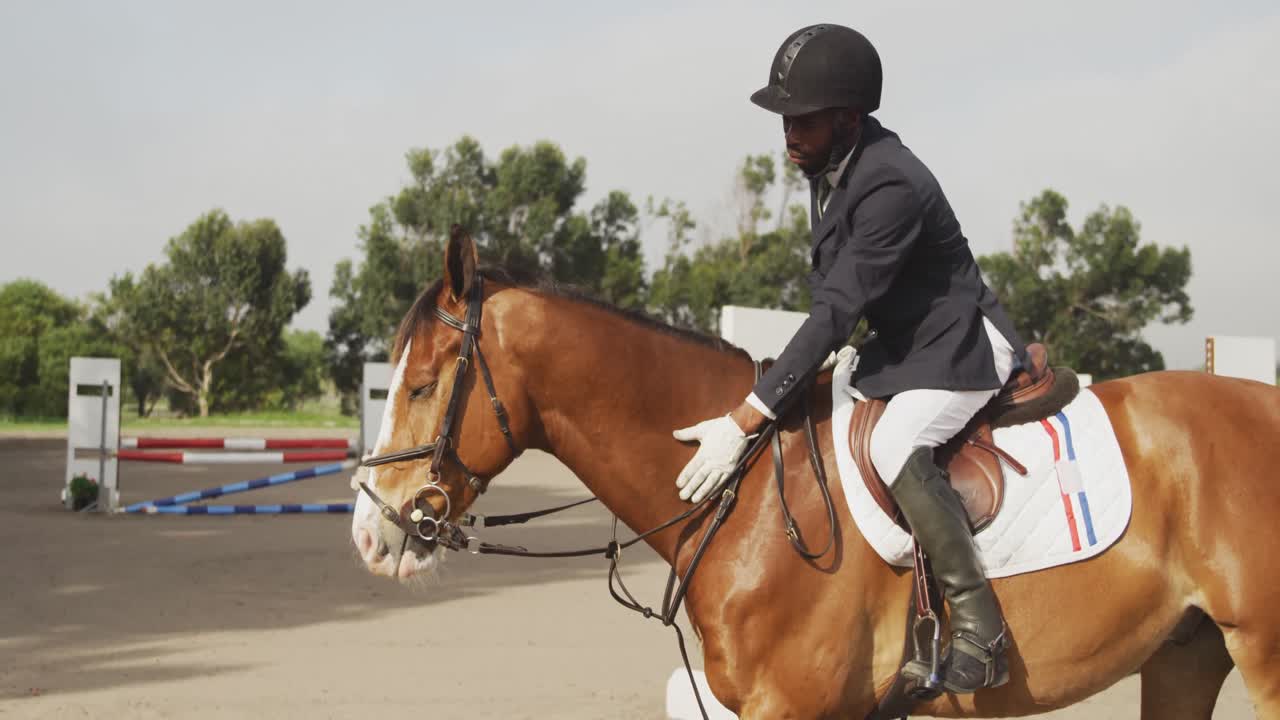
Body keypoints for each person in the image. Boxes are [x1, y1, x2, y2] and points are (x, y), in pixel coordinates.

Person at [671, 23, 1027, 693]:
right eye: (785, 119)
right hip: (904, 343)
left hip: (960, 343)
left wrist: (746, 417)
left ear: (849, 118)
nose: (789, 133)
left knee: (893, 445)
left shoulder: (890, 183)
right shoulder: (831, 168)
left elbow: (836, 312)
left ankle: (981, 627)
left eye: (803, 119)